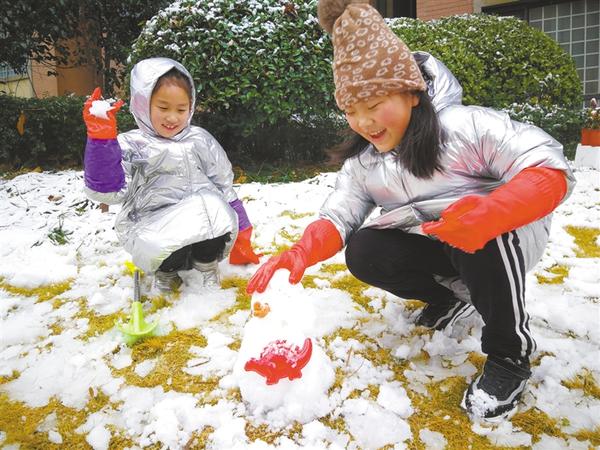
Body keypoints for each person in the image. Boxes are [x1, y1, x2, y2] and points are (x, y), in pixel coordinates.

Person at [247, 0, 575, 421]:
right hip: (439, 240)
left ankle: (509, 356)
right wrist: (301, 252)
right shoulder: (365, 161)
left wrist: (492, 212)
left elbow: (549, 166)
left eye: (373, 105)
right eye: (351, 111)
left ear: (410, 93)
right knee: (365, 249)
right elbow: (339, 215)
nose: (364, 123)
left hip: (502, 238)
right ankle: (452, 298)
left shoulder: (466, 127)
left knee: (482, 238)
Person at [83, 57, 260, 291]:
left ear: (191, 107)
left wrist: (243, 227)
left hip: (201, 220)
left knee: (216, 210)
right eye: (163, 108)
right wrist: (101, 142)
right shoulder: (132, 144)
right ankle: (166, 273)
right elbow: (110, 192)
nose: (173, 117)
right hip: (153, 221)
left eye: (181, 109)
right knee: (161, 244)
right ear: (142, 104)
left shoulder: (199, 139)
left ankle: (206, 265)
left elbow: (223, 183)